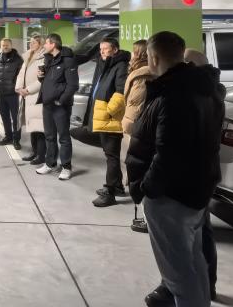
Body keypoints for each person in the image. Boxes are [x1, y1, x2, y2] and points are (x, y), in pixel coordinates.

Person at [126, 32, 224, 307]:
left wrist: (147, 188)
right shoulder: (205, 90)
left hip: (171, 196)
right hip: (196, 189)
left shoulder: (172, 94)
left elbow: (168, 153)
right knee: (193, 264)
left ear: (154, 57)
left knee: (178, 275)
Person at [88, 39, 131, 207]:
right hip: (103, 116)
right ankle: (118, 186)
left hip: (110, 118)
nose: (102, 52)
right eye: (101, 49)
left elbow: (121, 92)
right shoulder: (107, 64)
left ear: (115, 50)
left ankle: (110, 192)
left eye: (105, 49)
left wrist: (108, 111)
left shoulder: (120, 66)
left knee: (112, 157)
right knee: (110, 154)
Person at [36, 33, 78, 180]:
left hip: (60, 106)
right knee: (49, 136)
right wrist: (40, 76)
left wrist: (61, 100)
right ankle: (50, 163)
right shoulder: (48, 59)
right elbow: (47, 81)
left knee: (64, 137)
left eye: (46, 43)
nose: (44, 46)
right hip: (47, 104)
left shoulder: (68, 60)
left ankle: (66, 167)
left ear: (53, 44)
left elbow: (73, 85)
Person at [121, 40, 153, 229]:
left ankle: (148, 218)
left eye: (133, 52)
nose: (131, 55)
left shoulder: (143, 76)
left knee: (140, 170)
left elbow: (136, 104)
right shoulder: (140, 73)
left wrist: (128, 124)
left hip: (137, 128)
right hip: (135, 127)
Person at [16, 34, 46, 165]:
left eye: (34, 42)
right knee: (31, 127)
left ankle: (41, 155)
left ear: (40, 44)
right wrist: (19, 88)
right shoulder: (28, 56)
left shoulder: (43, 58)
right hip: (26, 96)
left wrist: (28, 90)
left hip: (36, 96)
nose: (31, 44)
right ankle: (34, 152)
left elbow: (42, 80)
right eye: (30, 42)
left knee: (39, 128)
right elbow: (21, 74)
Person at [0, 38, 23, 149]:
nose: (5, 47)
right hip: (1, 93)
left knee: (16, 118)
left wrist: (15, 86)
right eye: (3, 45)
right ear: (0, 46)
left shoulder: (18, 60)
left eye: (7, 45)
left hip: (13, 94)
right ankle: (8, 137)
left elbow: (21, 76)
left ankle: (16, 140)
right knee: (5, 117)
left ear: (11, 45)